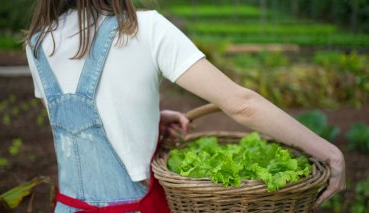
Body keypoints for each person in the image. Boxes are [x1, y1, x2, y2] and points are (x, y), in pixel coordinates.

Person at [24, 0, 345, 212]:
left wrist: (147, 119)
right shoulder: (143, 28)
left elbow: (69, 128)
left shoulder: (38, 41)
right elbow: (241, 105)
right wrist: (328, 151)